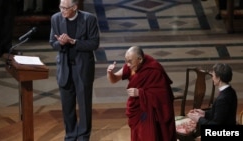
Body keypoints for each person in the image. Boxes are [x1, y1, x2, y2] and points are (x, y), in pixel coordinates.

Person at [49, 0, 100, 140]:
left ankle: (83, 136)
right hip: (64, 68)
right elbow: (52, 42)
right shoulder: (56, 18)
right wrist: (59, 42)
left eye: (65, 8)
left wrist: (74, 42)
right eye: (60, 7)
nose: (62, 10)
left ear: (75, 7)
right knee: (67, 106)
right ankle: (70, 136)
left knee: (84, 105)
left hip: (82, 68)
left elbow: (94, 43)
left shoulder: (89, 19)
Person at [107, 46, 176, 141]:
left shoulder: (154, 69)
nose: (127, 64)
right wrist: (110, 73)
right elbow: (114, 79)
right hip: (139, 109)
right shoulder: (131, 66)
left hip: (151, 111)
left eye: (130, 61)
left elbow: (164, 96)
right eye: (126, 61)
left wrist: (140, 93)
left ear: (139, 59)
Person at [187, 63, 238, 135]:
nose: (212, 78)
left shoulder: (222, 99)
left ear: (219, 78)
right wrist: (204, 113)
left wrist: (199, 119)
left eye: (213, 75)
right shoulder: (231, 91)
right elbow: (220, 114)